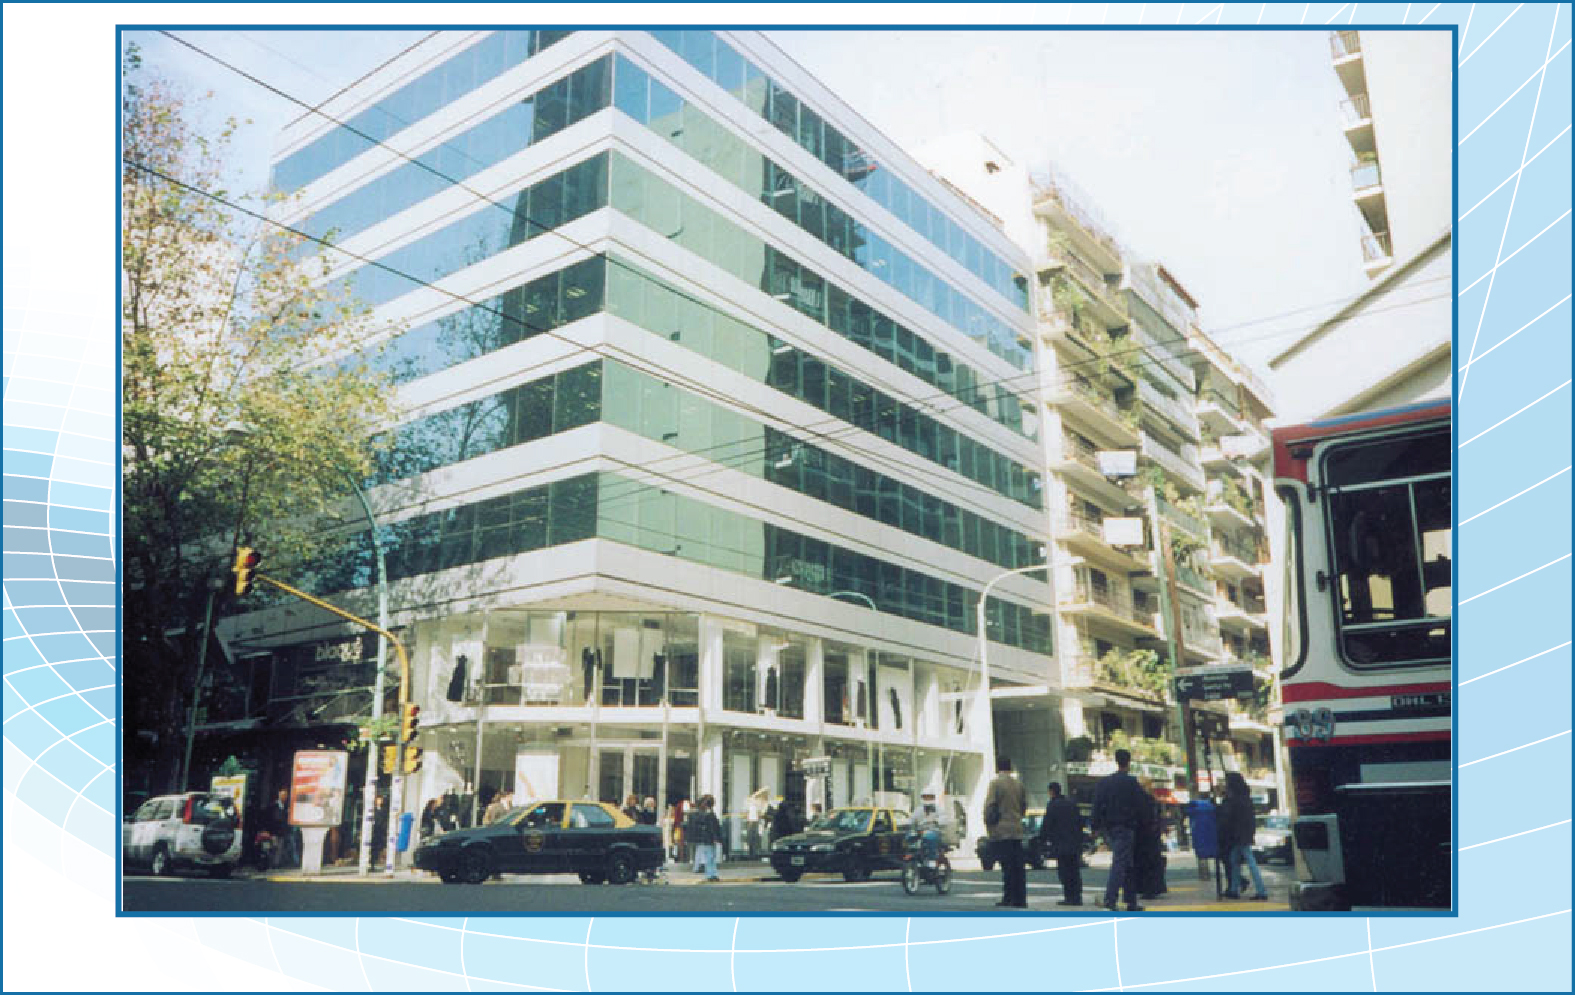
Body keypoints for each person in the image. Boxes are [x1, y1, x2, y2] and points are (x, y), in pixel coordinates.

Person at [1091, 748, 1147, 912]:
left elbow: (1096, 805)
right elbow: (1142, 806)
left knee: (1127, 863)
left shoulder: (1105, 783)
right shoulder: (1131, 782)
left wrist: (1095, 827)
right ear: (1128, 762)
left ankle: (1131, 901)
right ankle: (1110, 899)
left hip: (1110, 828)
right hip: (1126, 827)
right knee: (1121, 863)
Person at [983, 755, 1028, 908]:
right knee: (1018, 867)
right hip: (1017, 829)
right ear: (1010, 767)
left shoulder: (995, 783)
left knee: (1007, 867)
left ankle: (1008, 897)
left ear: (998, 767)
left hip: (1002, 830)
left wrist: (989, 826)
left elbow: (990, 806)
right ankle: (1020, 898)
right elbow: (1023, 806)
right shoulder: (1019, 784)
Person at [1219, 772, 1268, 900]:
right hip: (1243, 835)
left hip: (1238, 836)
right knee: (1234, 861)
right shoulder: (1245, 798)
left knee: (1250, 862)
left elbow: (1228, 817)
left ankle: (1261, 891)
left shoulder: (1234, 800)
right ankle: (1234, 889)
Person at [1038, 781, 1083, 906]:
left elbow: (1047, 824)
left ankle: (1069, 896)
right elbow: (1080, 822)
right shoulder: (1072, 803)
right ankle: (1077, 896)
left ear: (1051, 792)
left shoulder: (1052, 805)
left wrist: (1042, 840)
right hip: (1074, 843)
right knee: (1074, 871)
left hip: (1060, 843)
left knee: (1064, 871)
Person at [1134, 780, 1167, 900]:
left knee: (1143, 863)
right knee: (1152, 862)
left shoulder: (1140, 800)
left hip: (1142, 836)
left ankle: (1145, 888)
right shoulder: (1153, 801)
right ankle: (1153, 888)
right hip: (1152, 836)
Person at [691, 795, 723, 882]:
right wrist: (717, 837)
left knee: (710, 857)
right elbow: (713, 827)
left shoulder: (703, 814)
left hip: (706, 838)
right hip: (709, 838)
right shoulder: (709, 814)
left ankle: (711, 874)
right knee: (710, 857)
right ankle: (711, 874)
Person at [265, 788, 298, 869]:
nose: (284, 797)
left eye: (285, 795)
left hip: (282, 831)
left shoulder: (286, 807)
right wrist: (268, 830)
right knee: (273, 847)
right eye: (282, 795)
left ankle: (276, 864)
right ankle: (270, 863)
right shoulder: (273, 806)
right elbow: (269, 819)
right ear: (279, 795)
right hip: (274, 831)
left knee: (280, 848)